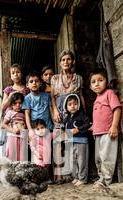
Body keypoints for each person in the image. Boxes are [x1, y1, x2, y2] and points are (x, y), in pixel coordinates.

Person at [50, 50, 86, 183]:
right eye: (63, 59)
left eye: (68, 59)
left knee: (74, 141)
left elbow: (81, 96)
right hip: (60, 113)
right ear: (60, 63)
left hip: (74, 114)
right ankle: (58, 174)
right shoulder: (54, 78)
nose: (66, 62)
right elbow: (52, 97)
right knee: (58, 142)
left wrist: (84, 115)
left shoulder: (78, 78)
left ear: (73, 61)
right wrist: (54, 111)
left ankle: (74, 174)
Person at [89, 68, 122, 190]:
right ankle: (100, 177)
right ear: (90, 86)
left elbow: (117, 109)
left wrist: (114, 126)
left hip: (108, 132)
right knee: (98, 158)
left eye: (100, 80)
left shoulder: (109, 93)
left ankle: (106, 180)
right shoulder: (97, 99)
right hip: (97, 133)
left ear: (106, 82)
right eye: (93, 82)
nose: (97, 83)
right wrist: (94, 126)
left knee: (106, 156)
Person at [62, 94, 91, 186]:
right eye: (70, 104)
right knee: (72, 161)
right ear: (66, 107)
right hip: (70, 142)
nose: (72, 106)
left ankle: (83, 179)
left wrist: (78, 129)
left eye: (75, 104)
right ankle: (76, 177)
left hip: (81, 141)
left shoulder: (82, 115)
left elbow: (88, 124)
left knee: (81, 161)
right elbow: (65, 130)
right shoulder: (66, 118)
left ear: (78, 105)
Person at [22, 71, 53, 137]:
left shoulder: (47, 96)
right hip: (35, 129)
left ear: (41, 83)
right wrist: (30, 129)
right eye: (31, 81)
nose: (34, 83)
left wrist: (56, 126)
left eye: (36, 81)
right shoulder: (27, 98)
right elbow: (27, 115)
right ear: (27, 85)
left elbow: (51, 111)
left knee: (48, 146)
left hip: (48, 128)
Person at [2, 92, 27, 162]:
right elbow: (3, 124)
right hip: (12, 136)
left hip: (22, 137)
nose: (18, 105)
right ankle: (11, 170)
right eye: (15, 103)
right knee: (11, 155)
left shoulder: (24, 114)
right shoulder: (10, 113)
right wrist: (13, 130)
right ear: (11, 104)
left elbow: (26, 125)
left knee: (22, 156)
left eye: (20, 103)